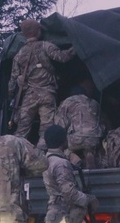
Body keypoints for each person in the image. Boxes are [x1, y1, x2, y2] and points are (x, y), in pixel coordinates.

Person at [8, 19, 76, 150]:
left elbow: (12, 80)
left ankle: (17, 155)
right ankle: (43, 156)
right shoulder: (46, 46)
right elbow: (63, 57)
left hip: (29, 97)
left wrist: (11, 96)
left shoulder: (19, 54)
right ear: (38, 31)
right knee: (46, 131)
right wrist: (77, 47)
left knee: (21, 132)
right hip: (47, 95)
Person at [43, 125, 99, 223]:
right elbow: (69, 192)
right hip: (63, 213)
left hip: (54, 212)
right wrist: (88, 200)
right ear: (63, 141)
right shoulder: (60, 163)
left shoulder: (47, 159)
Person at [54, 82, 104, 169]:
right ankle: (89, 153)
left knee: (60, 147)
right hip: (94, 139)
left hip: (76, 139)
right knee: (89, 145)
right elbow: (103, 123)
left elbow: (59, 127)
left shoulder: (67, 102)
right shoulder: (94, 103)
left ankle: (73, 157)